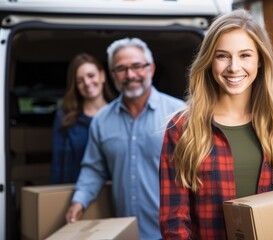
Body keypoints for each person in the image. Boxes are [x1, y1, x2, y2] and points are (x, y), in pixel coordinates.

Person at [159, 9, 273, 239]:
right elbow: (174, 221)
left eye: (245, 55)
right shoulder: (181, 128)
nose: (233, 67)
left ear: (260, 60)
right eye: (222, 56)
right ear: (209, 61)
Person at [65, 38, 186, 240]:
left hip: (172, 232)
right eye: (121, 69)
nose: (130, 75)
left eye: (137, 66)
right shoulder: (101, 121)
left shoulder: (179, 114)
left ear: (151, 69)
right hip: (124, 232)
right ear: (112, 75)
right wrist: (79, 201)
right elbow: (94, 169)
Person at [51, 53, 115, 184]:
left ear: (102, 75)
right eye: (80, 81)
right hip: (77, 192)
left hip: (115, 192)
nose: (87, 83)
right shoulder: (65, 117)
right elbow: (58, 165)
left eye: (91, 76)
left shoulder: (119, 112)